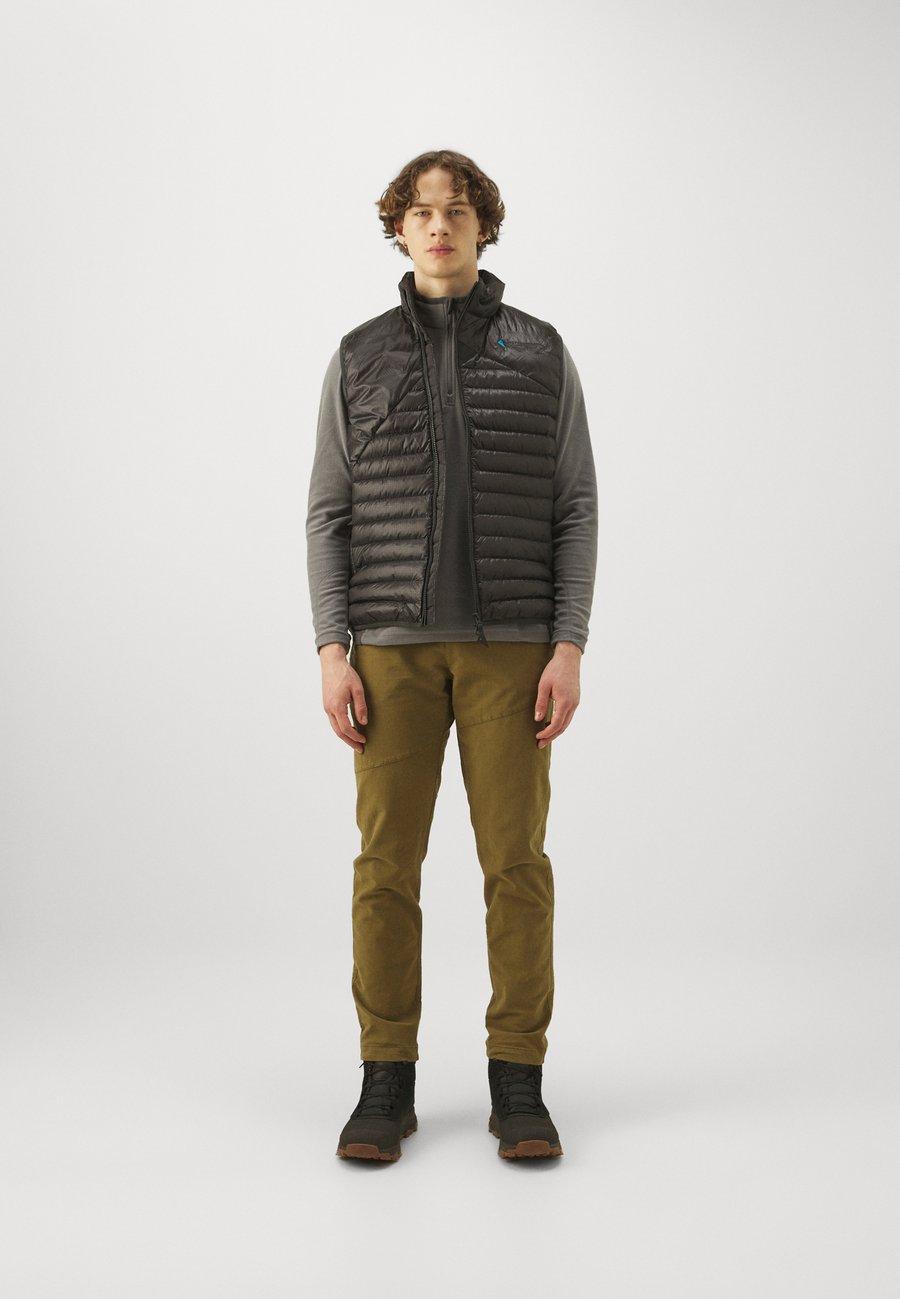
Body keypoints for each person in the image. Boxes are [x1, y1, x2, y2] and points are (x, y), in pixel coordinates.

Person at [305, 149, 598, 1161]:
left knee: (516, 864)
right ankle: (385, 1078)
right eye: (422, 211)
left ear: (484, 226)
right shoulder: (358, 356)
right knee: (386, 866)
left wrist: (568, 643)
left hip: (513, 654)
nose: (439, 226)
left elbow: (575, 504)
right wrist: (332, 650)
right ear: (399, 228)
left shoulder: (540, 351)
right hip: (388, 655)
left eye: (458, 210)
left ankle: (519, 1080)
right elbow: (328, 513)